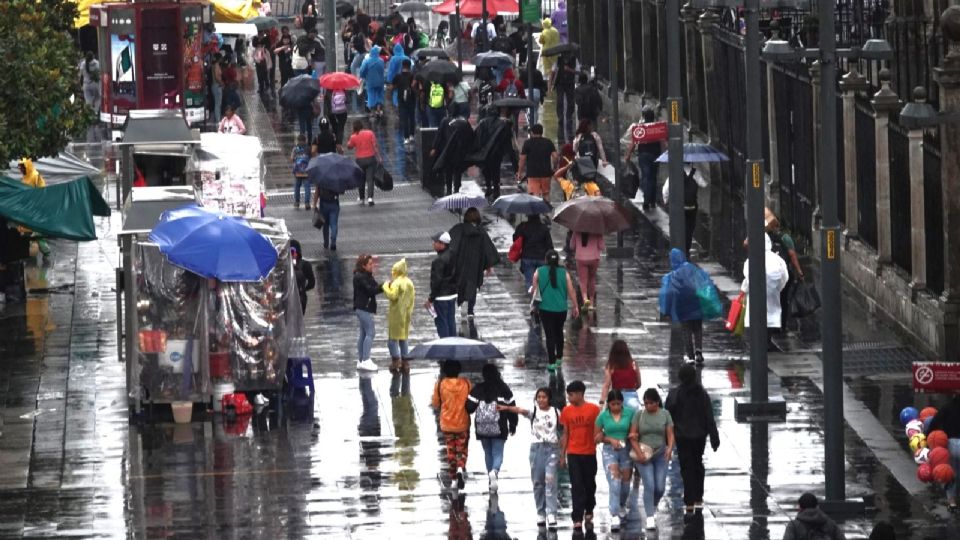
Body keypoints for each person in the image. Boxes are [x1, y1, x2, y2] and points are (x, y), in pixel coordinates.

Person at [498, 387, 561, 529]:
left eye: (544, 397)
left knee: (550, 481)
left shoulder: (556, 412)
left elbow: (565, 426)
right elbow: (520, 410)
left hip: (552, 448)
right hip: (536, 449)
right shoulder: (534, 411)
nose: (541, 399)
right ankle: (541, 512)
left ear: (549, 398)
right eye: (539, 397)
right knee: (538, 482)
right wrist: (506, 408)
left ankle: (552, 513)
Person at [665, 363, 720, 514]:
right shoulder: (702, 394)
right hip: (699, 436)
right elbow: (709, 417)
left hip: (682, 436)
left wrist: (667, 437)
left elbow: (668, 416)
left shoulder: (675, 394)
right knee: (697, 464)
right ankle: (698, 497)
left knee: (686, 466)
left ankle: (689, 501)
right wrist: (714, 437)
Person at [659, 248, 721, 363]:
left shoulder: (673, 275)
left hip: (682, 307)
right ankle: (699, 351)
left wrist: (666, 310)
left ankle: (690, 355)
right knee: (697, 328)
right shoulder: (692, 268)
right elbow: (703, 282)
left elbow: (669, 293)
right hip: (696, 304)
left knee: (686, 329)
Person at [466, 364, 518, 493]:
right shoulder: (504, 389)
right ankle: (495, 472)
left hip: (482, 428)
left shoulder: (478, 389)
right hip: (499, 427)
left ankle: (491, 479)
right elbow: (512, 408)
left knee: (488, 452)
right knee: (498, 453)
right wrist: (513, 424)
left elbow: (469, 408)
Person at [628, 388, 675, 531]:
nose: (648, 406)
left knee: (660, 487)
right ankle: (649, 517)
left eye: (651, 403)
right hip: (643, 454)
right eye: (646, 403)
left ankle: (653, 505)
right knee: (649, 485)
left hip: (660, 454)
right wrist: (638, 453)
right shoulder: (639, 415)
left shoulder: (665, 414)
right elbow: (632, 435)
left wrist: (670, 448)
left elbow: (670, 434)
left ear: (657, 402)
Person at [559, 380, 601, 530]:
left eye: (571, 395)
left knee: (589, 484)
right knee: (576, 485)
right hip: (573, 453)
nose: (569, 398)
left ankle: (589, 508)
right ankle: (577, 516)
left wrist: (599, 437)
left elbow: (599, 429)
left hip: (589, 452)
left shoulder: (594, 410)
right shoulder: (566, 411)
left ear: (580, 394)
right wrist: (562, 455)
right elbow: (565, 433)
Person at [594, 390, 636, 532]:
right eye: (613, 404)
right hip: (609, 451)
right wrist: (609, 439)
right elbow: (596, 437)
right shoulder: (603, 416)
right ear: (608, 404)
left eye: (618, 404)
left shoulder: (630, 413)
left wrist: (631, 436)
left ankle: (622, 505)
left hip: (626, 450)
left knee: (625, 483)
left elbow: (634, 430)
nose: (616, 407)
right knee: (615, 480)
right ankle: (614, 514)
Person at [448, 208, 500, 317]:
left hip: (461, 262)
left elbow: (451, 244)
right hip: (475, 263)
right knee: (473, 284)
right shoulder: (481, 232)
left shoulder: (459, 229)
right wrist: (488, 266)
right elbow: (487, 249)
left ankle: (462, 302)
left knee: (461, 283)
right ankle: (470, 310)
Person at [534, 250, 580, 371]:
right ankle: (559, 357)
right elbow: (571, 291)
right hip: (561, 309)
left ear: (546, 260)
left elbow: (535, 290)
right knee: (559, 332)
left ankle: (551, 362)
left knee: (549, 335)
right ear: (558, 260)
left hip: (545, 308)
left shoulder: (539, 272)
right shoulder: (564, 273)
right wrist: (576, 306)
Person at [741, 233, 789, 347]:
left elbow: (748, 278)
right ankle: (767, 340)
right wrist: (777, 288)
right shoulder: (777, 259)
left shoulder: (751, 260)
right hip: (773, 293)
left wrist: (745, 290)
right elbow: (785, 277)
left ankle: (760, 342)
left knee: (756, 316)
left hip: (756, 295)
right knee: (771, 317)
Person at [432, 360, 473, 491]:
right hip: (463, 422)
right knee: (462, 448)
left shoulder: (440, 384)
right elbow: (471, 400)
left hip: (447, 423)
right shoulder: (466, 383)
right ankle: (461, 467)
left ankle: (454, 478)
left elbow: (435, 403)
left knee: (451, 451)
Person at [624, 107, 666, 210]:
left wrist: (628, 155)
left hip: (643, 155)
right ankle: (652, 201)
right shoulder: (658, 127)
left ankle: (647, 200)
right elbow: (663, 142)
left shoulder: (640, 127)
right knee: (653, 177)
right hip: (656, 155)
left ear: (643, 116)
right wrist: (664, 154)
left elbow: (634, 142)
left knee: (646, 177)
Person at [662, 163, 708, 254]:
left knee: (677, 226)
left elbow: (665, 189)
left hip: (678, 207)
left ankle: (678, 246)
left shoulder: (675, 172)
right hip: (691, 206)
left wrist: (666, 201)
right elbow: (704, 184)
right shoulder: (695, 172)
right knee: (690, 228)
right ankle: (687, 248)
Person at [471, 106, 515, 199]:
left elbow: (478, 137)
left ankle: (488, 187)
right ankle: (496, 188)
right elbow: (506, 138)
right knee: (496, 169)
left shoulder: (483, 123)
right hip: (497, 151)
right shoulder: (502, 123)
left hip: (485, 151)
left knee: (486, 169)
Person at [382, 259, 415, 374]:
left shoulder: (396, 283)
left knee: (392, 339)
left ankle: (395, 360)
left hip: (396, 314)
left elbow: (392, 296)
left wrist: (386, 286)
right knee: (403, 337)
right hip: (406, 314)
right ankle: (405, 361)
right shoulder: (409, 282)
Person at [928, 395, 960, 512]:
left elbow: (933, 423)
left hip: (950, 444)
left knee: (950, 473)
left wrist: (930, 438)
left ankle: (952, 503)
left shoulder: (947, 407)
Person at [431, 113, 475, 195]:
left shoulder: (445, 121)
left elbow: (439, 135)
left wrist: (435, 147)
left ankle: (448, 189)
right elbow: (471, 135)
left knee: (448, 171)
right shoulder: (463, 122)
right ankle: (456, 189)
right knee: (457, 171)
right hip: (459, 151)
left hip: (448, 151)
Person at [352, 254, 382, 372]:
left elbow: (374, 286)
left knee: (364, 333)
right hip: (363, 308)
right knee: (371, 332)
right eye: (370, 264)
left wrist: (383, 286)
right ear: (363, 266)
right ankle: (366, 359)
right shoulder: (361, 277)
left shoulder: (365, 275)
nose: (372, 266)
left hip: (362, 307)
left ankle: (361, 360)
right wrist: (383, 287)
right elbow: (371, 290)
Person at [426, 231, 458, 338]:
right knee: (451, 320)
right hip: (452, 294)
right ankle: (453, 342)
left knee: (442, 322)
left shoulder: (438, 261)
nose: (433, 244)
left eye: (435, 242)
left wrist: (430, 299)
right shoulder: (453, 254)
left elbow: (437, 282)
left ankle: (445, 343)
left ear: (442, 244)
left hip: (441, 297)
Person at [599, 340, 642, 411]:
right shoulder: (633, 364)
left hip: (616, 397)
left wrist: (602, 402)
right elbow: (639, 384)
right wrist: (631, 389)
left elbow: (607, 385)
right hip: (632, 397)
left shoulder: (611, 365)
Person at [347, 120, 382, 206]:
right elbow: (375, 146)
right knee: (370, 179)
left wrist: (351, 137)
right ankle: (370, 198)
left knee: (361, 180)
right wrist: (379, 157)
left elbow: (349, 146)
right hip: (371, 159)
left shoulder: (354, 136)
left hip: (360, 161)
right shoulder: (370, 133)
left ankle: (362, 198)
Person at [513, 214, 553, 290]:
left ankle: (532, 297)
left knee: (530, 282)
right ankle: (541, 297)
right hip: (541, 258)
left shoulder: (524, 227)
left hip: (527, 257)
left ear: (528, 216)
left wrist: (519, 227)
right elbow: (549, 245)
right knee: (542, 282)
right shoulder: (544, 228)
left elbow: (515, 239)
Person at [570, 231, 604, 309]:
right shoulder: (597, 231)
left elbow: (572, 246)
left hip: (581, 258)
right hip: (594, 258)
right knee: (592, 279)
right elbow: (601, 246)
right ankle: (591, 303)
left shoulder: (577, 231)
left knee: (582, 280)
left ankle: (585, 299)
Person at [552, 52, 577, 144]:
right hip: (560, 83)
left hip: (570, 83)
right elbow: (553, 71)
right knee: (560, 101)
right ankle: (560, 118)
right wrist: (551, 84)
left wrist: (569, 69)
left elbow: (577, 71)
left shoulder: (574, 60)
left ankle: (568, 117)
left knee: (571, 102)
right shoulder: (558, 60)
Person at [392, 60, 416, 143]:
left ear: (402, 66)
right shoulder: (413, 76)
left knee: (405, 118)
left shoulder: (398, 76)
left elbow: (393, 87)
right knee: (412, 118)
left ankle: (406, 137)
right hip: (412, 99)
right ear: (409, 66)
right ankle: (412, 135)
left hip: (401, 100)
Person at [359, 45, 386, 119]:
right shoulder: (381, 60)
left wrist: (363, 76)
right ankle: (378, 110)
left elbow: (362, 71)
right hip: (380, 81)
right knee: (379, 95)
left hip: (370, 82)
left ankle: (372, 112)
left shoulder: (367, 61)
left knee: (371, 96)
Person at [290, 240, 315, 314]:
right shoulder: (305, 264)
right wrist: (303, 289)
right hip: (301, 299)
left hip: (288, 300)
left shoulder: (284, 266)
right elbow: (312, 283)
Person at [313, 182, 340, 251]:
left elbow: (317, 193)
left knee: (325, 224)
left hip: (323, 204)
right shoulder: (336, 179)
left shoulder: (321, 179)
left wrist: (314, 204)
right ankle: (333, 242)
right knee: (334, 224)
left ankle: (326, 242)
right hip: (334, 204)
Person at [290, 134, 311, 209]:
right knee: (307, 187)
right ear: (305, 140)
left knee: (297, 187)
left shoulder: (295, 149)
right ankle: (307, 203)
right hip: (306, 171)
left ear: (298, 141)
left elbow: (292, 159)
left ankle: (297, 202)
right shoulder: (308, 148)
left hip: (297, 171)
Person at [210, 54, 224, 125]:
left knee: (217, 103)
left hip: (215, 86)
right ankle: (218, 120)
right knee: (218, 104)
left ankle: (217, 119)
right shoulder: (216, 65)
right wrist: (221, 83)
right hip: (217, 86)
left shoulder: (214, 65)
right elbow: (217, 76)